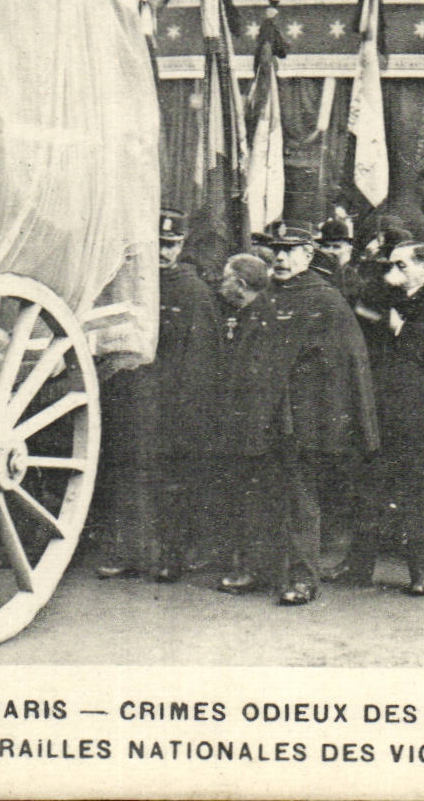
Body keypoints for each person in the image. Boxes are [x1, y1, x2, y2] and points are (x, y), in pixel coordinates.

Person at [223, 221, 379, 605]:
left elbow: (344, 367)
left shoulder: (326, 301)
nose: (280, 257)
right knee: (261, 494)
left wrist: (321, 418)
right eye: (277, 250)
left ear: (308, 254)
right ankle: (260, 570)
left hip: (303, 421)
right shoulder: (268, 298)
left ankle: (303, 578)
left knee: (299, 498)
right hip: (264, 417)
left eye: (290, 250)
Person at [96, 210, 219, 581]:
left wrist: (188, 409)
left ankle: (170, 557)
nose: (165, 253)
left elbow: (201, 361)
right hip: (133, 398)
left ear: (181, 246)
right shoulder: (134, 288)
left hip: (172, 403)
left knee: (171, 481)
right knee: (128, 476)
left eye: (172, 245)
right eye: (159, 245)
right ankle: (130, 553)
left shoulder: (193, 292)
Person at [342, 242, 424, 595]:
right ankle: (358, 565)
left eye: (401, 265)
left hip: (423, 411)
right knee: (370, 485)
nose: (393, 272)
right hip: (383, 407)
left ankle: (421, 570)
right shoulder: (383, 296)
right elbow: (361, 315)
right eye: (391, 265)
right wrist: (384, 290)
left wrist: (400, 329)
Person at [213, 253, 273, 593]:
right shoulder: (243, 313)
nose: (219, 284)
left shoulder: (264, 318)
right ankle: (243, 564)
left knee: (253, 499)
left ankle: (252, 569)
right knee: (242, 496)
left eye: (225, 278)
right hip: (240, 422)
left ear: (239, 284)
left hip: (255, 425)